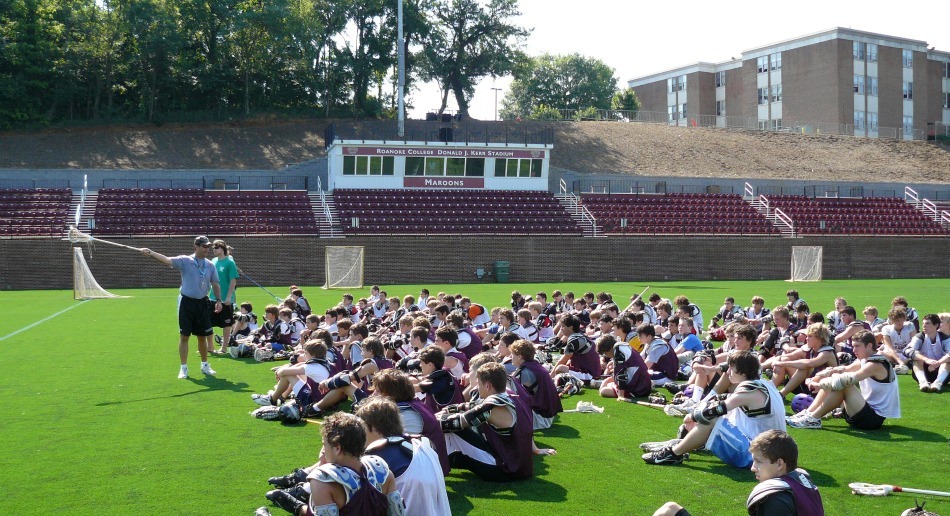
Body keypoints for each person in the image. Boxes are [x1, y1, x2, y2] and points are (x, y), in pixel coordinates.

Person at [642, 351, 785, 468]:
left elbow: (716, 410)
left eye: (732, 368)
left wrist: (692, 416)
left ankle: (673, 454)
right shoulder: (764, 385)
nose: (728, 372)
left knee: (710, 418)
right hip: (769, 451)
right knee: (715, 412)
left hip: (757, 456)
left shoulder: (749, 389)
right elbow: (725, 399)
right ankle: (690, 443)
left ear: (743, 373)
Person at [652, 430, 823, 516]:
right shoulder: (801, 480)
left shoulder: (776, 498)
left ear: (779, 463)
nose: (753, 468)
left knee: (669, 511)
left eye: (759, 462)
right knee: (670, 508)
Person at [139, 235, 223, 379]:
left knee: (202, 336)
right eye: (204, 246)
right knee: (184, 336)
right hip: (187, 303)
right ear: (196, 247)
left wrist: (219, 300)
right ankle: (183, 367)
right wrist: (151, 253)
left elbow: (215, 283)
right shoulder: (185, 260)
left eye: (208, 247)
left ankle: (205, 365)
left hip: (202, 303)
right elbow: (167, 260)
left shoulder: (210, 265)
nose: (207, 249)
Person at [436, 362, 535, 481]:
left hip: (505, 470)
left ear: (487, 386)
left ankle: (436, 461)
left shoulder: (491, 406)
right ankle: (445, 459)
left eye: (479, 383)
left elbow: (458, 422)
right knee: (456, 446)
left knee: (451, 428)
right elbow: (474, 406)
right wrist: (451, 409)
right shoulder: (513, 397)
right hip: (520, 467)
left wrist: (432, 419)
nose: (477, 387)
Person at [355, 398, 451, 516]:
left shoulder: (378, 455)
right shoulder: (423, 443)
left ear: (374, 427)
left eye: (362, 427)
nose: (360, 434)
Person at [788, 331, 900, 430]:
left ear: (869, 346)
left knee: (843, 384)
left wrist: (819, 385)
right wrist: (820, 375)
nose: (854, 350)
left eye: (857, 346)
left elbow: (847, 380)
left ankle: (813, 418)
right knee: (836, 378)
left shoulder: (875, 364)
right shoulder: (864, 360)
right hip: (862, 411)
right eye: (853, 346)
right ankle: (809, 414)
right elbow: (842, 369)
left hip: (873, 420)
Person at [770, 323, 838, 398]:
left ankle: (780, 394)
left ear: (820, 338)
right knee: (784, 359)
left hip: (825, 390)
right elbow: (784, 357)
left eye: (810, 336)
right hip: (809, 384)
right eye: (807, 336)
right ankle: (770, 390)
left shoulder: (827, 353)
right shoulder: (809, 348)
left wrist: (782, 363)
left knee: (804, 368)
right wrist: (777, 362)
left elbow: (809, 363)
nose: (806, 339)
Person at [510, 340, 563, 429]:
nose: (511, 357)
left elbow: (516, 397)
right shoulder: (535, 365)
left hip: (540, 418)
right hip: (546, 416)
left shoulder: (524, 371)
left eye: (512, 354)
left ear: (519, 356)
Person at [595, 334, 652, 400]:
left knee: (604, 391)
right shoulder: (622, 346)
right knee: (608, 383)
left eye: (605, 352)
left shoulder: (618, 352)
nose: (606, 355)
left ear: (610, 348)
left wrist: (620, 396)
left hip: (637, 389)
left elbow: (621, 375)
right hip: (642, 385)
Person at [904, 313, 950, 392]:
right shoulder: (919, 337)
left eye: (927, 323)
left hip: (942, 372)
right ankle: (923, 382)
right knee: (916, 359)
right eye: (923, 323)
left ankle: (938, 383)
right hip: (924, 370)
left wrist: (937, 363)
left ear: (936, 325)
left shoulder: (945, 338)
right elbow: (908, 350)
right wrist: (926, 360)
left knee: (948, 362)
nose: (924, 326)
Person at [208, 240, 238, 354]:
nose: (214, 249)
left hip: (225, 299)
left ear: (223, 248)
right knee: (208, 322)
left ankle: (224, 348)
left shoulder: (230, 263)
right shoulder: (213, 261)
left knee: (226, 324)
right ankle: (210, 347)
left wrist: (229, 297)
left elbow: (233, 281)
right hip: (213, 297)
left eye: (216, 247)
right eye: (213, 248)